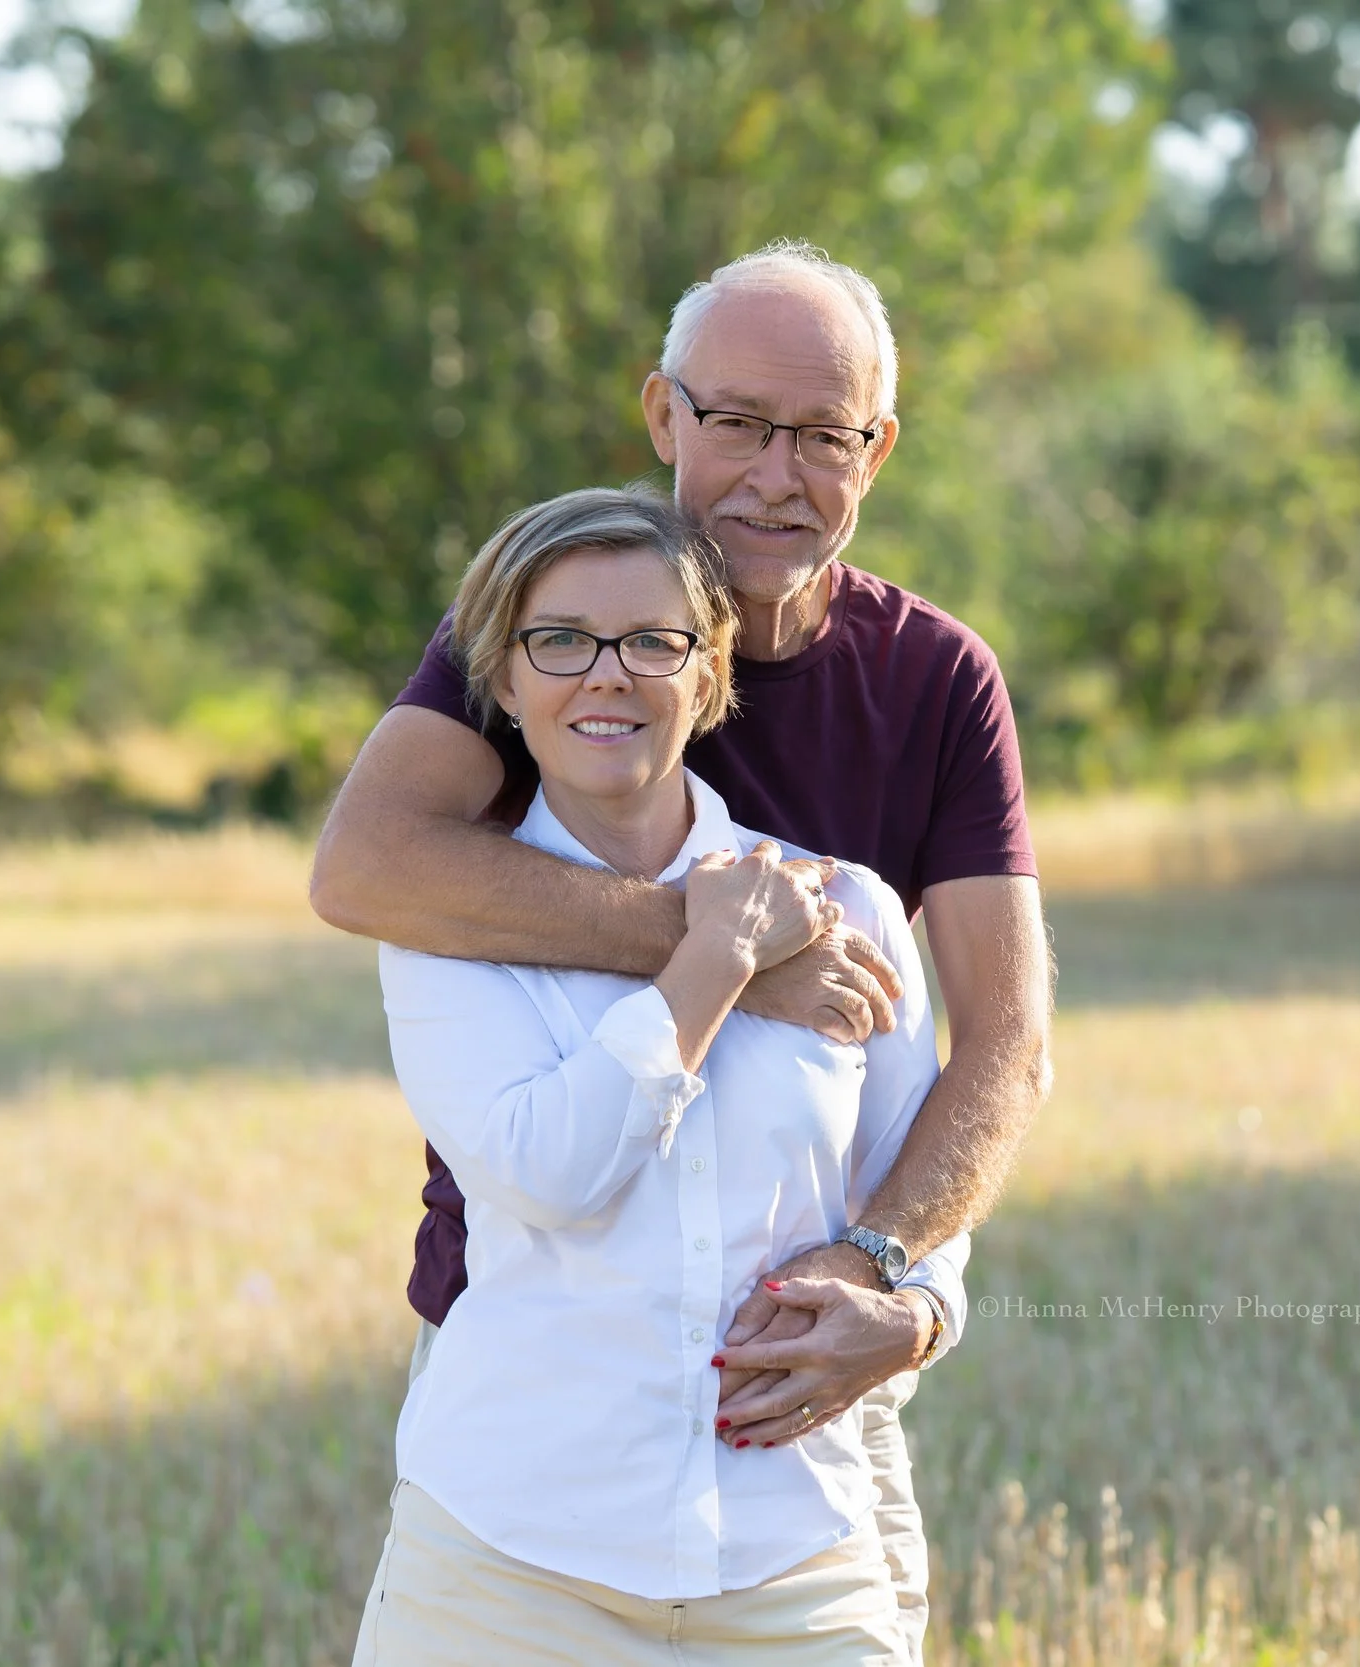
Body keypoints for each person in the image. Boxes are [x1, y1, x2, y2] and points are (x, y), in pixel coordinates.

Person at [313, 241, 1053, 1653]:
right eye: (737, 423)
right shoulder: (541, 621)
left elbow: (1005, 1043)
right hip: (540, 1370)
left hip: (799, 1411)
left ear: (877, 449)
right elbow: (368, 865)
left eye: (823, 435)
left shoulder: (935, 678)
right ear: (665, 416)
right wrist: (725, 948)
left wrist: (895, 1274)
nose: (777, 473)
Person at [353, 487, 968, 1664]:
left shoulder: (854, 909)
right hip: (506, 1565)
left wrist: (922, 1305)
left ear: (707, 669)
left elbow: (912, 1180)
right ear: (505, 675)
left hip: (797, 1556)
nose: (606, 675)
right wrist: (714, 957)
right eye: (560, 641)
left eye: (653, 641)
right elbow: (552, 1171)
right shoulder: (444, 924)